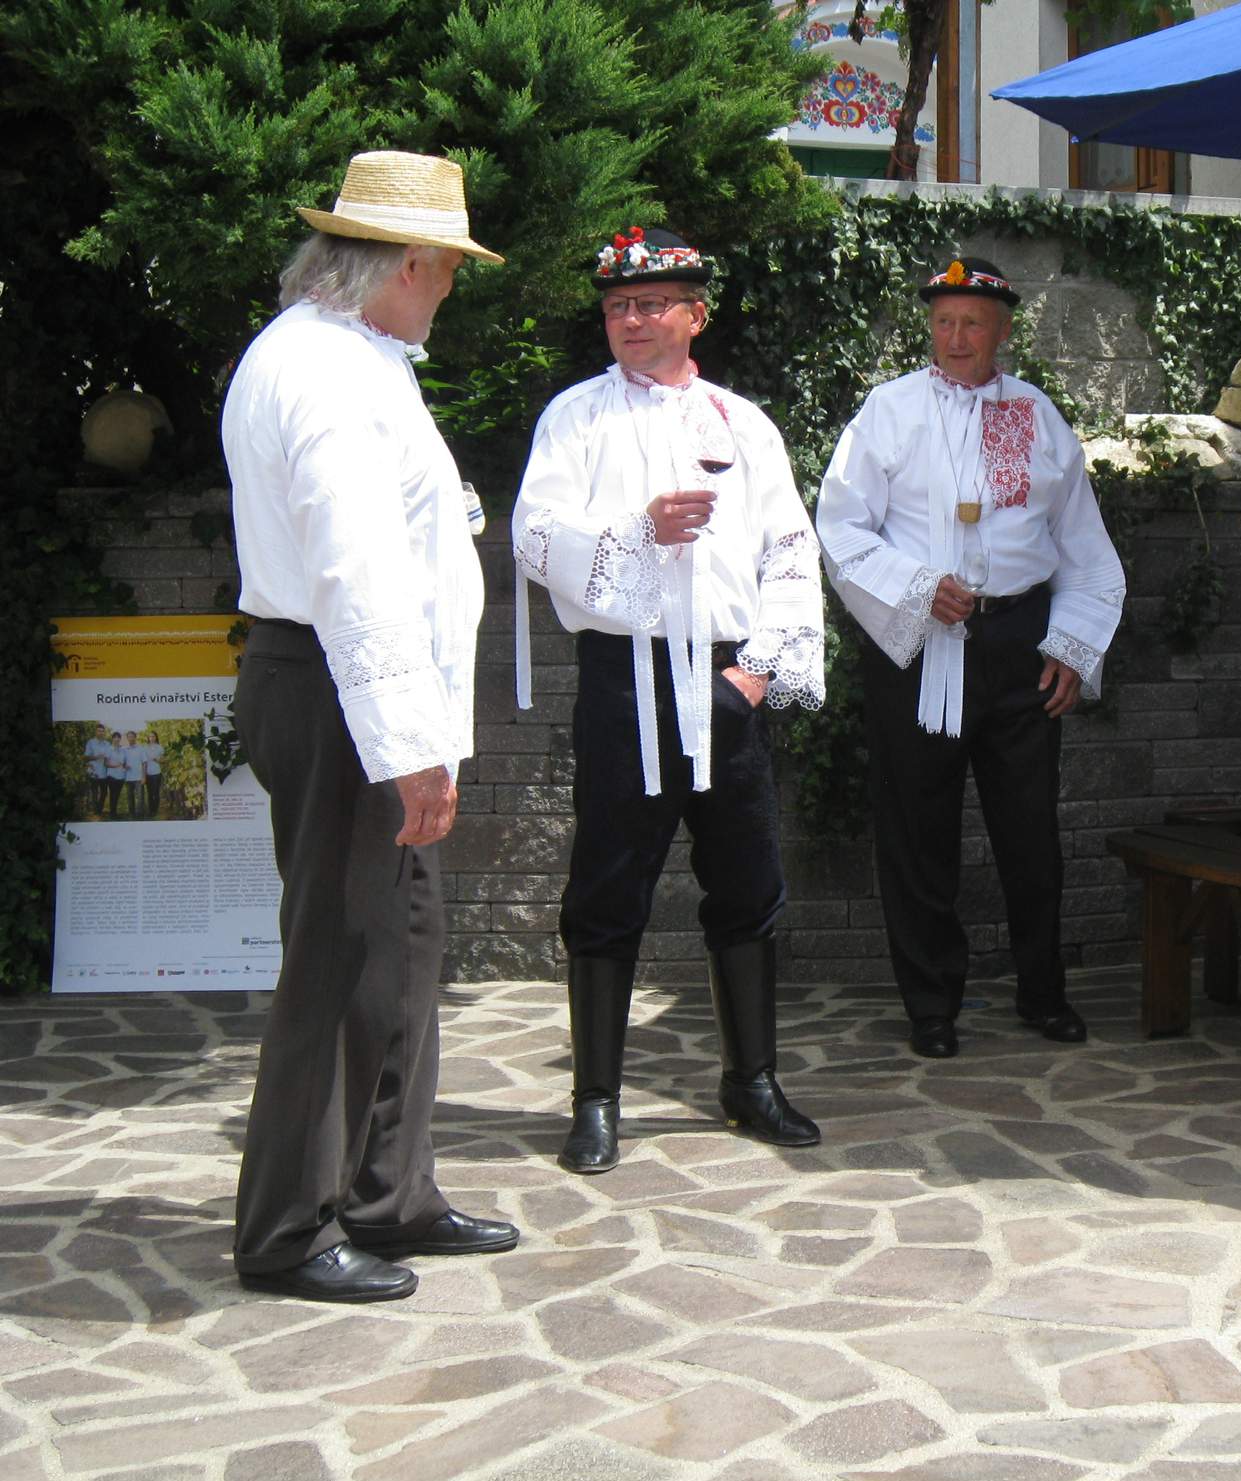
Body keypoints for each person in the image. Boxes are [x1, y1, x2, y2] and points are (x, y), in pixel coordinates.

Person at [221, 150, 517, 1303]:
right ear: (406, 264)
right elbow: (353, 566)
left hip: (340, 681)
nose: (448, 291)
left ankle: (387, 1190)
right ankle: (285, 1230)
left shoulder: (342, 357)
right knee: (339, 953)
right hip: (337, 686)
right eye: (447, 270)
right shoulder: (327, 374)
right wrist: (408, 745)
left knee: (400, 945)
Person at [513, 225, 826, 1174]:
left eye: (652, 304)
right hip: (626, 678)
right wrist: (636, 530)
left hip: (727, 678)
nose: (632, 320)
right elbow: (534, 535)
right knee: (608, 885)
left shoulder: (743, 423)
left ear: (697, 314)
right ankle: (596, 1101)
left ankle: (752, 1081)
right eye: (618, 306)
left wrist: (757, 673)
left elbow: (791, 548)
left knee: (747, 880)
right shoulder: (575, 417)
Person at [817, 255, 1127, 1059]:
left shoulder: (1035, 415)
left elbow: (1080, 539)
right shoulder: (888, 412)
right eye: (945, 321)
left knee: (1031, 832)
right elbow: (842, 526)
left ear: (1003, 330)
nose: (956, 338)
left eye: (973, 324)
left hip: (1017, 646)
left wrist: (1072, 644)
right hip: (918, 646)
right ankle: (931, 1005)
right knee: (918, 832)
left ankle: (1042, 991)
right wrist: (917, 588)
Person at [84, 724, 113, 816]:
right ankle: (96, 811)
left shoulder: (107, 744)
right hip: (93, 772)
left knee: (104, 792)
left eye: (102, 731)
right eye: (99, 731)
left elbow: (110, 757)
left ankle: (99, 809)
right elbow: (86, 757)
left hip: (104, 772)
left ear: (104, 732)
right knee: (94, 792)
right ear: (96, 732)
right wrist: (96, 757)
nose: (101, 733)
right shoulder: (90, 742)